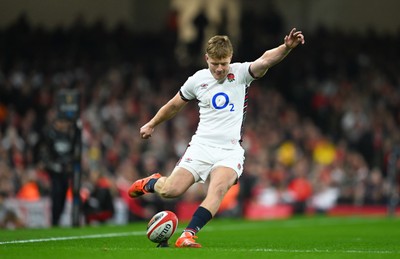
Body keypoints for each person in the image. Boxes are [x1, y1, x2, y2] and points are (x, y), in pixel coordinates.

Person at [129, 28, 305, 248]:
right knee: (170, 191)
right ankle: (152, 182)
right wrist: (152, 123)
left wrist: (286, 47)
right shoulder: (197, 80)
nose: (220, 69)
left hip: (229, 151)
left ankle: (189, 234)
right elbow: (174, 105)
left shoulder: (241, 73)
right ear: (206, 59)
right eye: (214, 64)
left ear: (230, 58)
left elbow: (266, 60)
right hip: (201, 146)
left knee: (218, 189)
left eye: (224, 63)